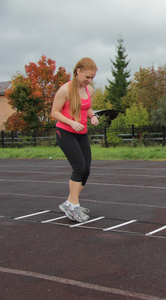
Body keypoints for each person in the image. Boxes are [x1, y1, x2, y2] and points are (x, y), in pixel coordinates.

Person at [51, 57, 99, 222]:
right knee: (79, 167)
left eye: (92, 78)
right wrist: (71, 122)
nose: (89, 80)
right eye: (87, 77)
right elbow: (54, 112)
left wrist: (93, 117)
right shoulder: (65, 90)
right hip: (65, 132)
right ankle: (74, 207)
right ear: (78, 71)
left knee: (86, 170)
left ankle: (70, 203)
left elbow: (88, 108)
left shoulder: (89, 90)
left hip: (82, 133)